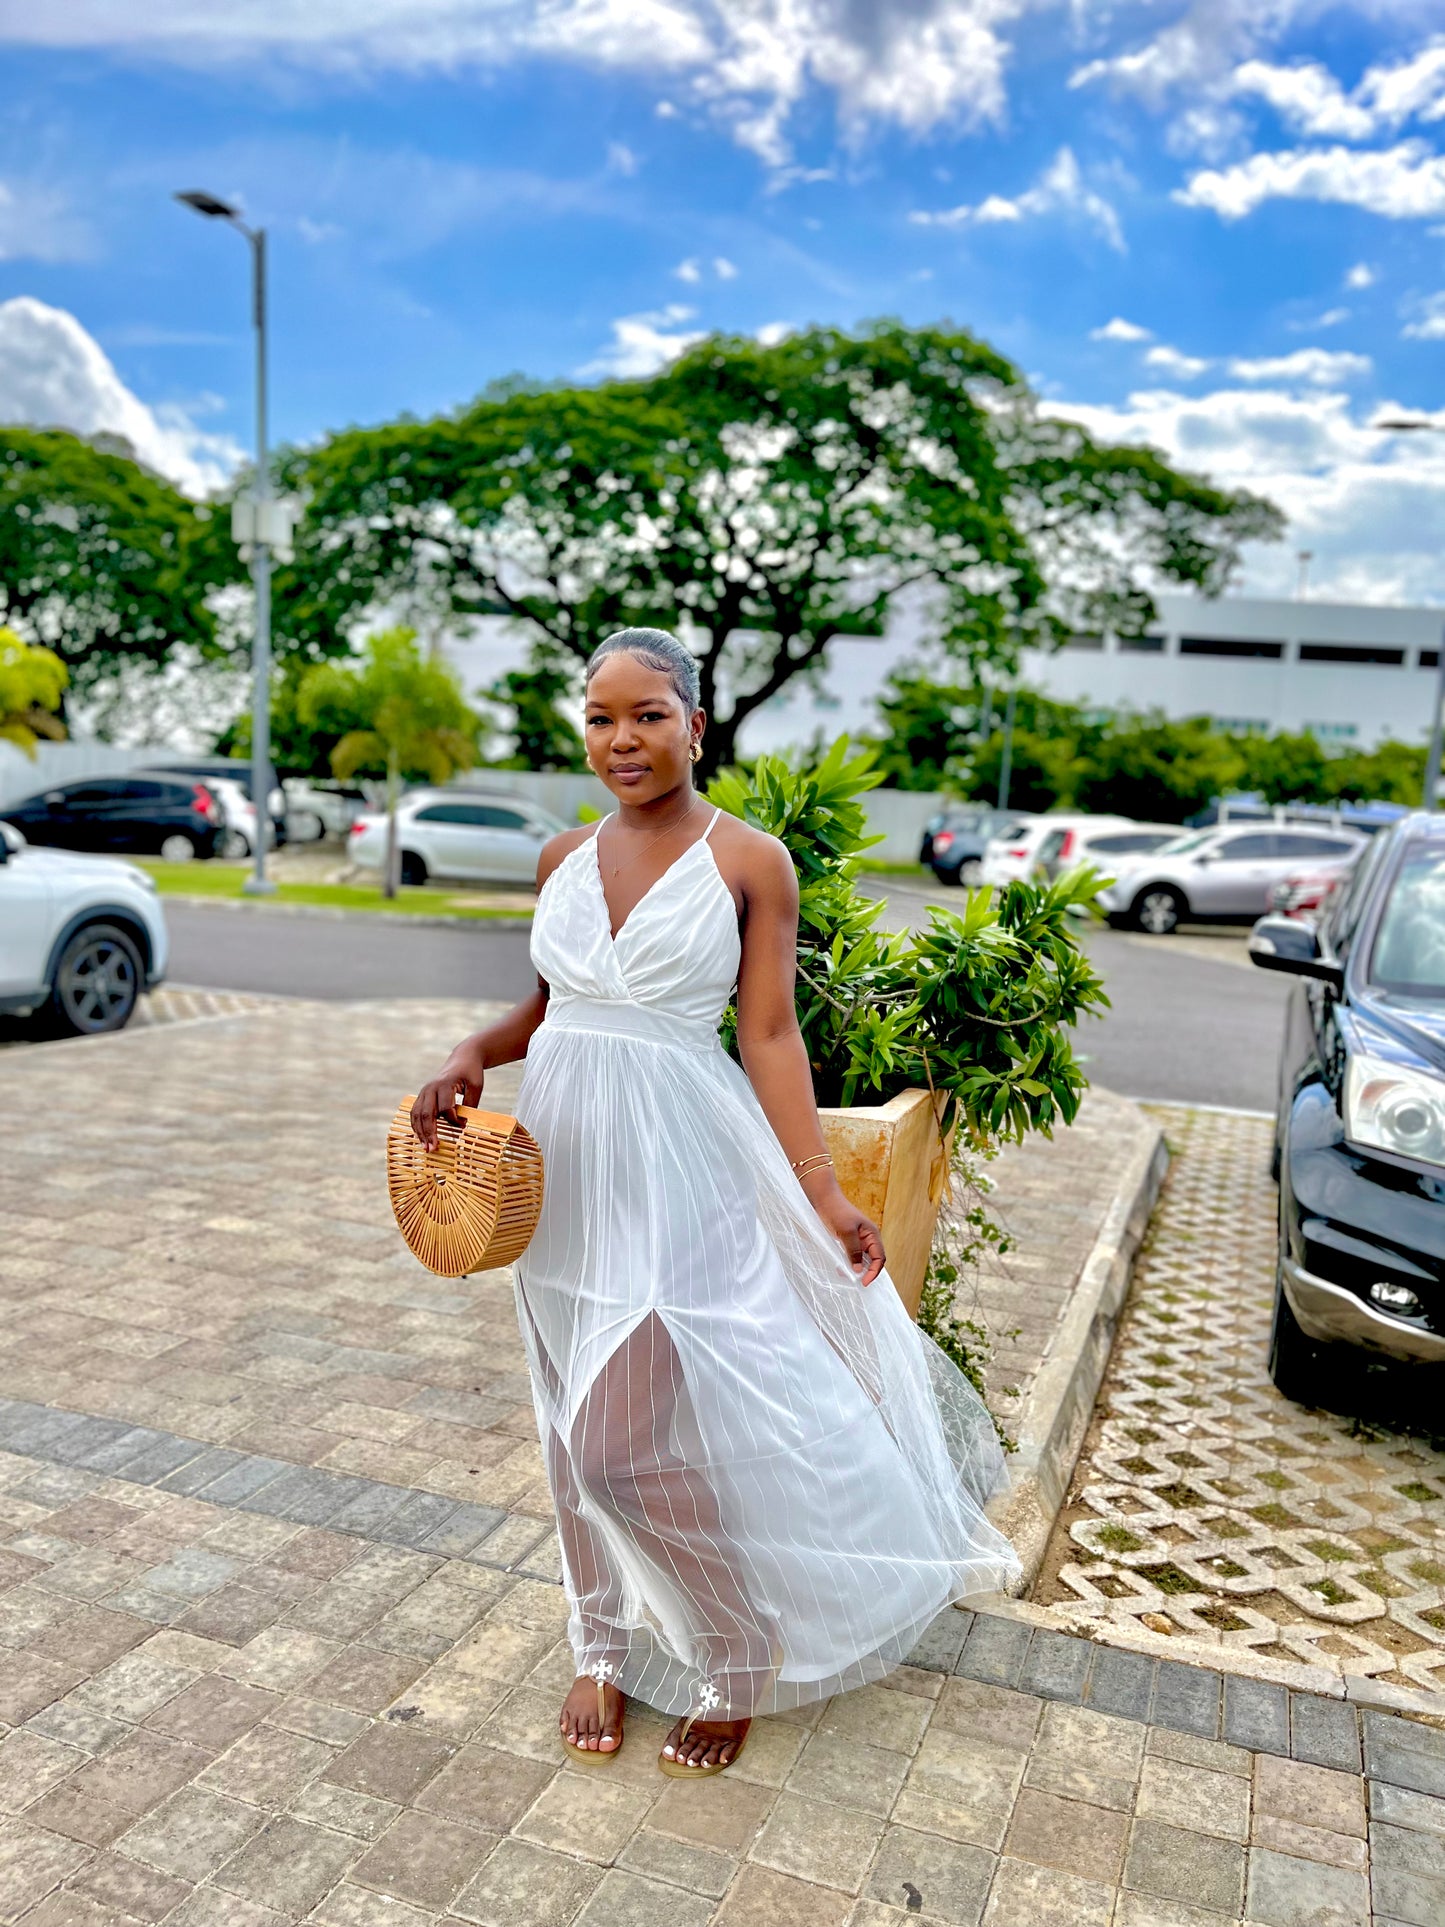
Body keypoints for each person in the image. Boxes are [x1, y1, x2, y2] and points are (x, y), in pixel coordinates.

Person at [411, 627, 1017, 1776]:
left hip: (683, 1168)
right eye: (599, 717)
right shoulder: (558, 859)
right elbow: (546, 1008)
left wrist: (824, 1193)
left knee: (614, 1447)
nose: (621, 739)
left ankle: (736, 1637)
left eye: (646, 714)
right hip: (566, 1169)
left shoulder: (752, 861)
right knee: (563, 1413)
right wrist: (465, 1052)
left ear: (695, 721)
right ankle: (598, 1634)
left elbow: (770, 1033)